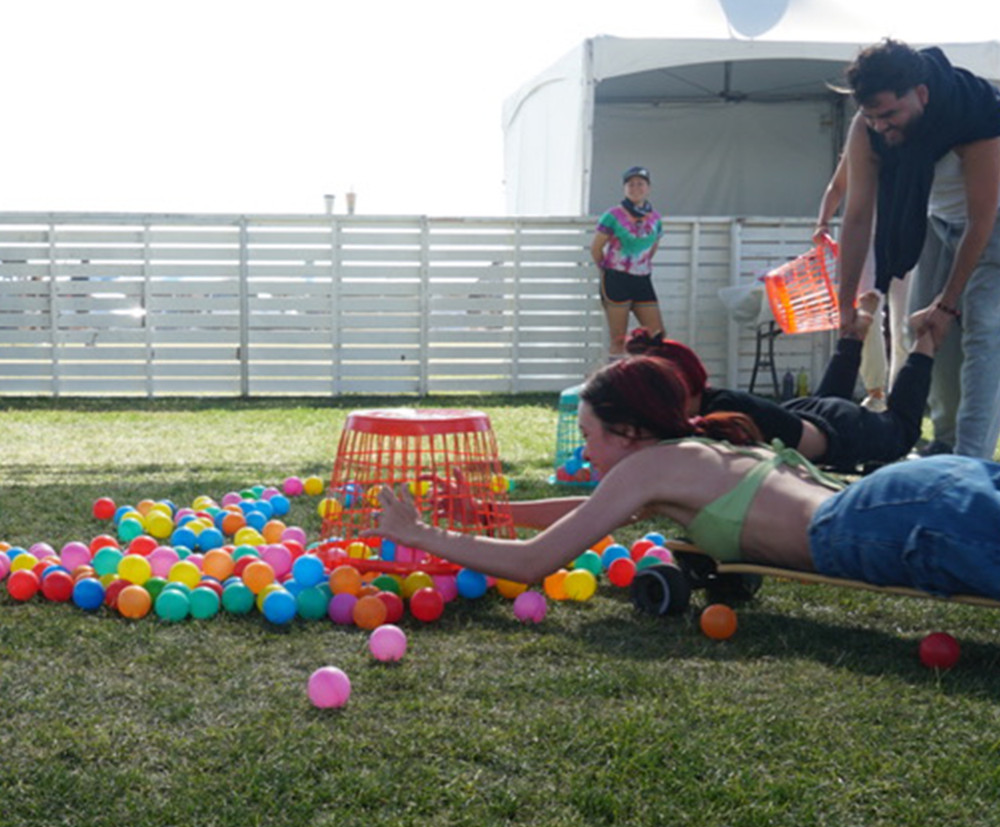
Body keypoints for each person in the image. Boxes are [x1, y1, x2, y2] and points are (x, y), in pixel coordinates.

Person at [369, 354, 1000, 600]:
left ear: (631, 433)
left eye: (589, 435)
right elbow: (580, 512)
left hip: (887, 523)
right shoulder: (694, 449)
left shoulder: (649, 466)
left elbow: (535, 563)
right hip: (909, 493)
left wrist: (420, 534)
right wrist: (484, 510)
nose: (586, 453)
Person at [835, 39, 1000, 459]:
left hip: (992, 222)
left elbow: (982, 220)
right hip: (939, 223)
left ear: (921, 94)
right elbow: (856, 218)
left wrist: (948, 304)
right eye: (873, 117)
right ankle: (943, 443)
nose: (883, 126)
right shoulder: (867, 129)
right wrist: (845, 304)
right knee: (920, 328)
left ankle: (971, 461)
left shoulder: (976, 111)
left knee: (982, 329)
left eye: (890, 114)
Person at [624, 315, 936, 472]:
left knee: (902, 431)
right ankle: (851, 337)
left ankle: (926, 337)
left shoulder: (720, 415)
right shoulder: (712, 402)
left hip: (837, 430)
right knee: (829, 397)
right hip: (804, 415)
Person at [814, 153, 913, 410]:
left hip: (906, 239)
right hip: (865, 241)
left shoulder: (915, 142)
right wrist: (822, 222)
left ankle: (900, 395)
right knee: (866, 315)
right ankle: (877, 392)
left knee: (905, 325)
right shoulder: (861, 146)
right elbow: (836, 186)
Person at [590, 166, 665, 357]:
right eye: (630, 184)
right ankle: (614, 382)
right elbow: (596, 248)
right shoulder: (613, 215)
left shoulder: (655, 218)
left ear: (648, 188)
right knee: (618, 339)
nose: (635, 187)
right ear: (624, 188)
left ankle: (650, 379)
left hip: (642, 279)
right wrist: (608, 271)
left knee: (657, 336)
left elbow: (653, 246)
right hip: (616, 279)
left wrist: (640, 265)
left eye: (640, 183)